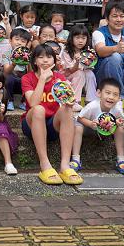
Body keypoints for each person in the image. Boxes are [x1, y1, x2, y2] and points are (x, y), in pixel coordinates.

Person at [21, 44, 82, 186]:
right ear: (35, 61)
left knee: (67, 109)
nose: (45, 60)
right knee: (39, 109)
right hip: (32, 123)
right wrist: (42, 79)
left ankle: (65, 165)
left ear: (54, 60)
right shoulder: (27, 78)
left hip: (52, 124)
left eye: (49, 57)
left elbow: (68, 98)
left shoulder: (59, 77)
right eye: (40, 57)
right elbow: (33, 103)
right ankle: (45, 165)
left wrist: (69, 101)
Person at [71, 78, 124, 175]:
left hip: (106, 130)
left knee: (120, 128)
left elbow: (120, 119)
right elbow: (79, 118)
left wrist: (117, 122)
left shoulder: (117, 108)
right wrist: (90, 124)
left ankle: (121, 160)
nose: (111, 97)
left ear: (119, 98)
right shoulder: (92, 106)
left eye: (115, 94)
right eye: (107, 93)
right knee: (78, 126)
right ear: (99, 93)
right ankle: (75, 159)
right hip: (89, 128)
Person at [60, 24, 97, 105]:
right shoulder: (66, 51)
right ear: (71, 38)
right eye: (77, 38)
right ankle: (75, 101)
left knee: (90, 74)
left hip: (81, 79)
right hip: (67, 78)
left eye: (83, 38)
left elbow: (90, 68)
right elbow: (71, 70)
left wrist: (91, 59)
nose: (80, 41)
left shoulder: (87, 51)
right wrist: (77, 61)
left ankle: (91, 100)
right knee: (80, 73)